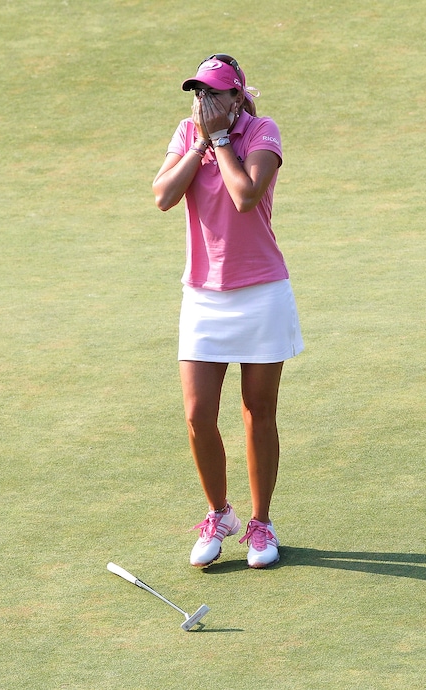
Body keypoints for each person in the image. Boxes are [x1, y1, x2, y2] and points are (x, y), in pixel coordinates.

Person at [152, 54, 303, 569]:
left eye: (214, 93)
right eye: (198, 93)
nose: (204, 102)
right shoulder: (186, 133)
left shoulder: (262, 132)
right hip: (203, 296)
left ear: (237, 97)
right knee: (198, 415)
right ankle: (219, 514)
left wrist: (219, 142)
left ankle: (261, 524)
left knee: (258, 412)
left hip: (261, 292)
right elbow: (163, 196)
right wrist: (198, 143)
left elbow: (245, 196)